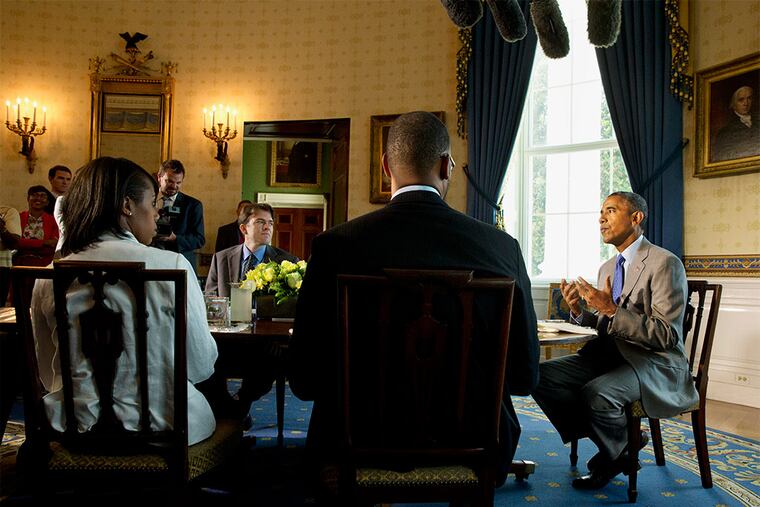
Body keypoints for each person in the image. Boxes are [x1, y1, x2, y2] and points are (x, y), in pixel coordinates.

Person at [289, 111, 539, 482]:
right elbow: (524, 377)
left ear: (386, 165)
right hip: (474, 440)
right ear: (446, 165)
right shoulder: (503, 250)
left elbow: (305, 380)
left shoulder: (334, 247)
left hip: (354, 439)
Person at [30, 157, 219, 445]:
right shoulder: (173, 265)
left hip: (75, 427)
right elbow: (200, 364)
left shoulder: (49, 276)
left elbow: (47, 371)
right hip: (167, 425)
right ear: (127, 205)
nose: (157, 213)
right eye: (152, 202)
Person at [531, 191, 698, 490]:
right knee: (539, 376)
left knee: (597, 394)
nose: (601, 218)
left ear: (636, 218)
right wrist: (580, 312)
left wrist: (609, 308)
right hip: (609, 357)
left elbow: (666, 335)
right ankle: (623, 446)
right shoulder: (607, 267)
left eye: (610, 210)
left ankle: (610, 456)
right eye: (600, 212)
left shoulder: (665, 263)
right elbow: (607, 326)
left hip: (654, 362)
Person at [206, 202, 298, 298]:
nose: (267, 227)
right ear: (244, 229)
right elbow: (210, 299)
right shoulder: (221, 259)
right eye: (260, 222)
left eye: (270, 223)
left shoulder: (288, 262)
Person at [152, 159, 205, 273]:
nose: (174, 186)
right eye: (169, 181)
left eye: (178, 183)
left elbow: (199, 240)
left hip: (180, 265)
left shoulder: (193, 205)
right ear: (159, 177)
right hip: (152, 262)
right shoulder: (147, 201)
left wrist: (175, 238)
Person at [13, 186, 59, 267]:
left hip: (44, 265)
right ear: (28, 198)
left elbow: (52, 247)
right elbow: (15, 242)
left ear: (47, 202)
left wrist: (26, 244)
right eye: (34, 195)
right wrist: (44, 242)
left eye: (42, 196)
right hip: (20, 264)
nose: (38, 198)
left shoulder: (53, 221)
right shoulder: (18, 218)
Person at [712, 85, 760, 162]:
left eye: (749, 98)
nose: (746, 103)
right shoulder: (725, 132)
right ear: (733, 103)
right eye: (741, 100)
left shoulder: (758, 120)